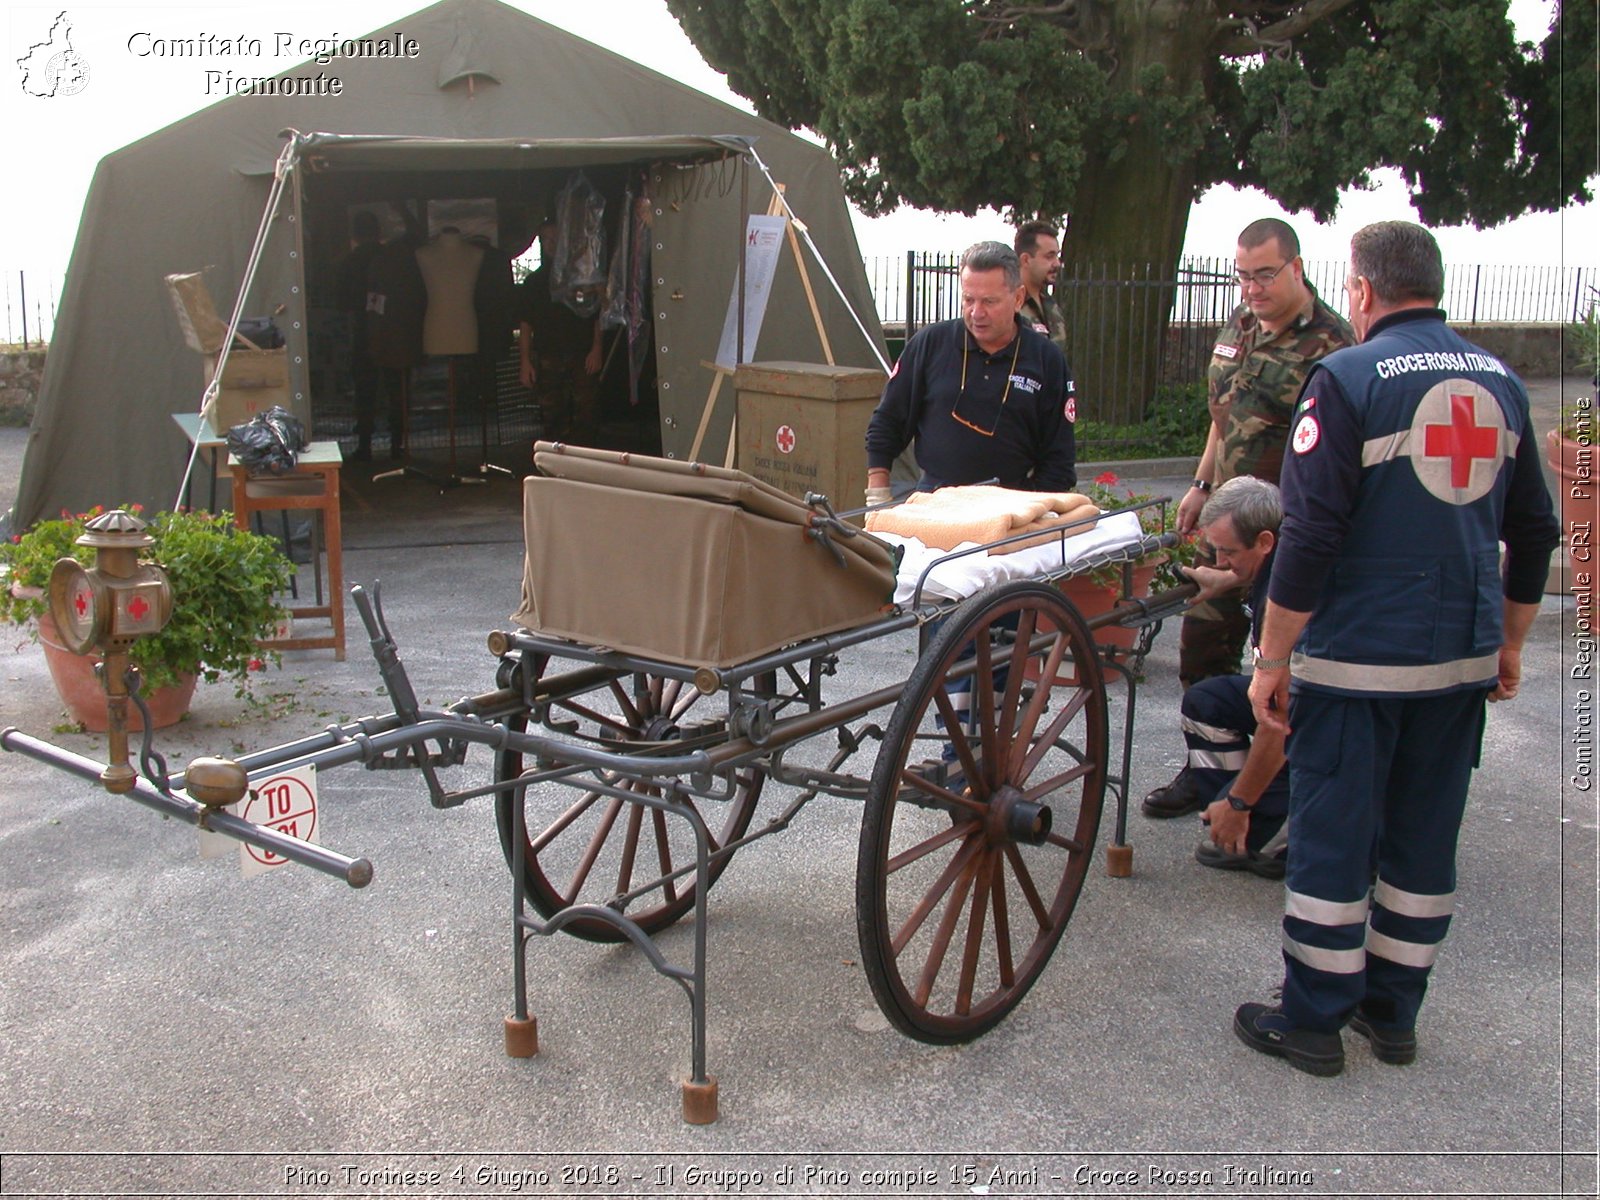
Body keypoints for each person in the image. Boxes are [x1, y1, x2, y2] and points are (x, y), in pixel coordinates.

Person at [1235, 220, 1560, 1077]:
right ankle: (1392, 1016)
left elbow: (1308, 536)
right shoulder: (1502, 381)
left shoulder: (1344, 379)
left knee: (1335, 839)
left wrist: (1272, 659)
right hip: (1459, 658)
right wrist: (1512, 642)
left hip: (1357, 662)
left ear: (1364, 291)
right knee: (1422, 841)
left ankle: (1312, 1020)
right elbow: (1536, 530)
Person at [1141, 217, 1354, 819]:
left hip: (1288, 529)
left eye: (1265, 275)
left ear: (1297, 269)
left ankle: (1275, 789)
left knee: (1282, 655)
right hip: (1229, 519)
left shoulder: (1333, 346)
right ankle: (1207, 769)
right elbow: (1221, 413)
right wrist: (1202, 485)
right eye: (1243, 276)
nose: (1252, 289)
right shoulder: (1238, 326)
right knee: (1204, 635)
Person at [864, 240, 1075, 503]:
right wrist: (878, 493)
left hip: (1014, 507)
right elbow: (888, 422)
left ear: (1018, 298)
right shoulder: (930, 343)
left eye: (989, 301)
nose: (977, 312)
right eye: (968, 299)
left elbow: (1059, 458)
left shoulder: (1047, 359)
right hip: (933, 502)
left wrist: (1035, 510)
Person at [1174, 476, 1289, 879]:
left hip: (1317, 722)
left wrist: (1238, 803)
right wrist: (1225, 579)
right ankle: (1238, 813)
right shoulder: (1280, 560)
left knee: (1285, 731)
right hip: (1292, 709)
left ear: (1265, 541)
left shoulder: (1287, 594)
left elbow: (1281, 722)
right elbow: (1244, 571)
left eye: (1227, 552)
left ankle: (1265, 821)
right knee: (1206, 702)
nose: (1220, 561)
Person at [519, 219, 603, 443]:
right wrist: (525, 361)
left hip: (582, 352)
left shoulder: (580, 277)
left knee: (586, 409)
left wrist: (597, 348)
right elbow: (526, 324)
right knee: (552, 411)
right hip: (549, 353)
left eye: (556, 239)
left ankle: (586, 460)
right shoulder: (534, 282)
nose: (551, 244)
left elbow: (598, 314)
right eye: (546, 239)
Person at [335, 211, 385, 461]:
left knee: (364, 385)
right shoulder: (388, 258)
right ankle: (399, 446)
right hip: (391, 329)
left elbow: (340, 299)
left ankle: (365, 442)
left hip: (362, 328)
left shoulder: (350, 261)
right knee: (395, 385)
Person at [1015, 220, 1070, 366]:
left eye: (1057, 256)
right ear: (1026, 260)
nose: (1057, 263)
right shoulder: (1008, 306)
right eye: (1049, 256)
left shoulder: (1051, 306)